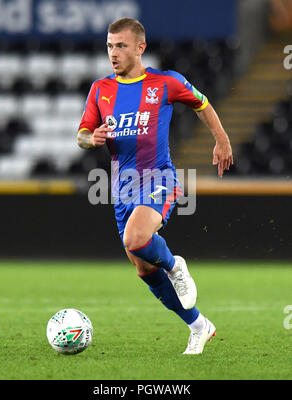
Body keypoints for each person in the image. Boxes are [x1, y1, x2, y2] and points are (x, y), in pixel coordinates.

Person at [77, 18, 233, 354]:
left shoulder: (165, 83)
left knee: (137, 239)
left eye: (120, 45)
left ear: (140, 47)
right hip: (121, 187)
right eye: (109, 45)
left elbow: (202, 104)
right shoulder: (100, 89)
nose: (113, 53)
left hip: (159, 178)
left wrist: (221, 140)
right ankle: (198, 325)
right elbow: (82, 135)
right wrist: (92, 139)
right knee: (143, 268)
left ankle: (176, 265)